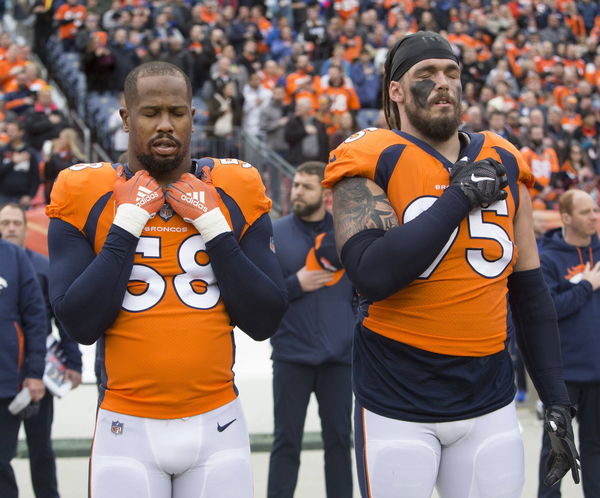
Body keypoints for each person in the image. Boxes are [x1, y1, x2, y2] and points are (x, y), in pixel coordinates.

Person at [323, 31, 580, 498]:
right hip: (396, 394)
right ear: (395, 90)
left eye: (452, 73)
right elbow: (373, 274)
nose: (443, 83)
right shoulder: (369, 155)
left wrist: (555, 394)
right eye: (427, 74)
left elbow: (528, 291)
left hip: (490, 394)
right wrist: (458, 197)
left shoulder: (501, 156)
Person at [45, 61, 287, 498]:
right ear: (125, 118)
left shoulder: (233, 186)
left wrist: (214, 228)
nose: (165, 125)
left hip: (218, 422)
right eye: (150, 112)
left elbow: (265, 318)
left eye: (176, 112)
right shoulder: (85, 191)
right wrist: (127, 224)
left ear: (193, 117)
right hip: (126, 426)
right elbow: (78, 325)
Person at [267, 162, 355, 498]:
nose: (296, 193)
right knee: (285, 442)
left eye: (306, 187)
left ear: (326, 194)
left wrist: (349, 330)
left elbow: (362, 289)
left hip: (339, 357)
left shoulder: (345, 231)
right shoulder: (276, 233)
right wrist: (296, 284)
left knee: (339, 442)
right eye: (295, 186)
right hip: (292, 356)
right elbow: (264, 294)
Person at [0, 202, 82, 498]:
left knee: (41, 449)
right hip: (5, 371)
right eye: (5, 223)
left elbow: (62, 317)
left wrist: (73, 362)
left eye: (16, 223)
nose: (10, 228)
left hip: (39, 372)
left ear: (25, 228)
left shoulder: (44, 267)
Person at [537, 189, 600, 498]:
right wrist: (586, 286)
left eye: (595, 210)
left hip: (597, 373)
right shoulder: (548, 258)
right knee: (556, 451)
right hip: (561, 376)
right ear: (566, 217)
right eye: (586, 212)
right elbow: (547, 311)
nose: (594, 217)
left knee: (596, 450)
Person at [0, 222, 47, 498]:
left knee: (0, 463)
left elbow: (35, 318)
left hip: (6, 385)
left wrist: (35, 372)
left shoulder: (14, 256)